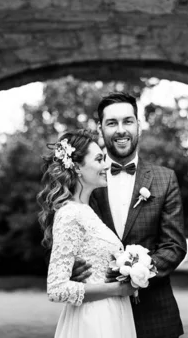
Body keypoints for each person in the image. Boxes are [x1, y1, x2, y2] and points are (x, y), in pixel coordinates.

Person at [73, 92, 187, 338]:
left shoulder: (164, 179)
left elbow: (174, 246)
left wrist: (136, 273)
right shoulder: (83, 180)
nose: (121, 130)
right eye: (112, 123)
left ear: (138, 125)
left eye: (128, 121)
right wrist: (71, 267)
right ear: (100, 128)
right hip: (100, 315)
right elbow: (66, 236)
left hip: (155, 315)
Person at [38, 129, 138, 338]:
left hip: (112, 315)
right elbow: (56, 289)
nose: (106, 165)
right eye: (99, 159)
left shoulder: (87, 210)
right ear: (77, 167)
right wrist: (118, 289)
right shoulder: (69, 213)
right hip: (93, 322)